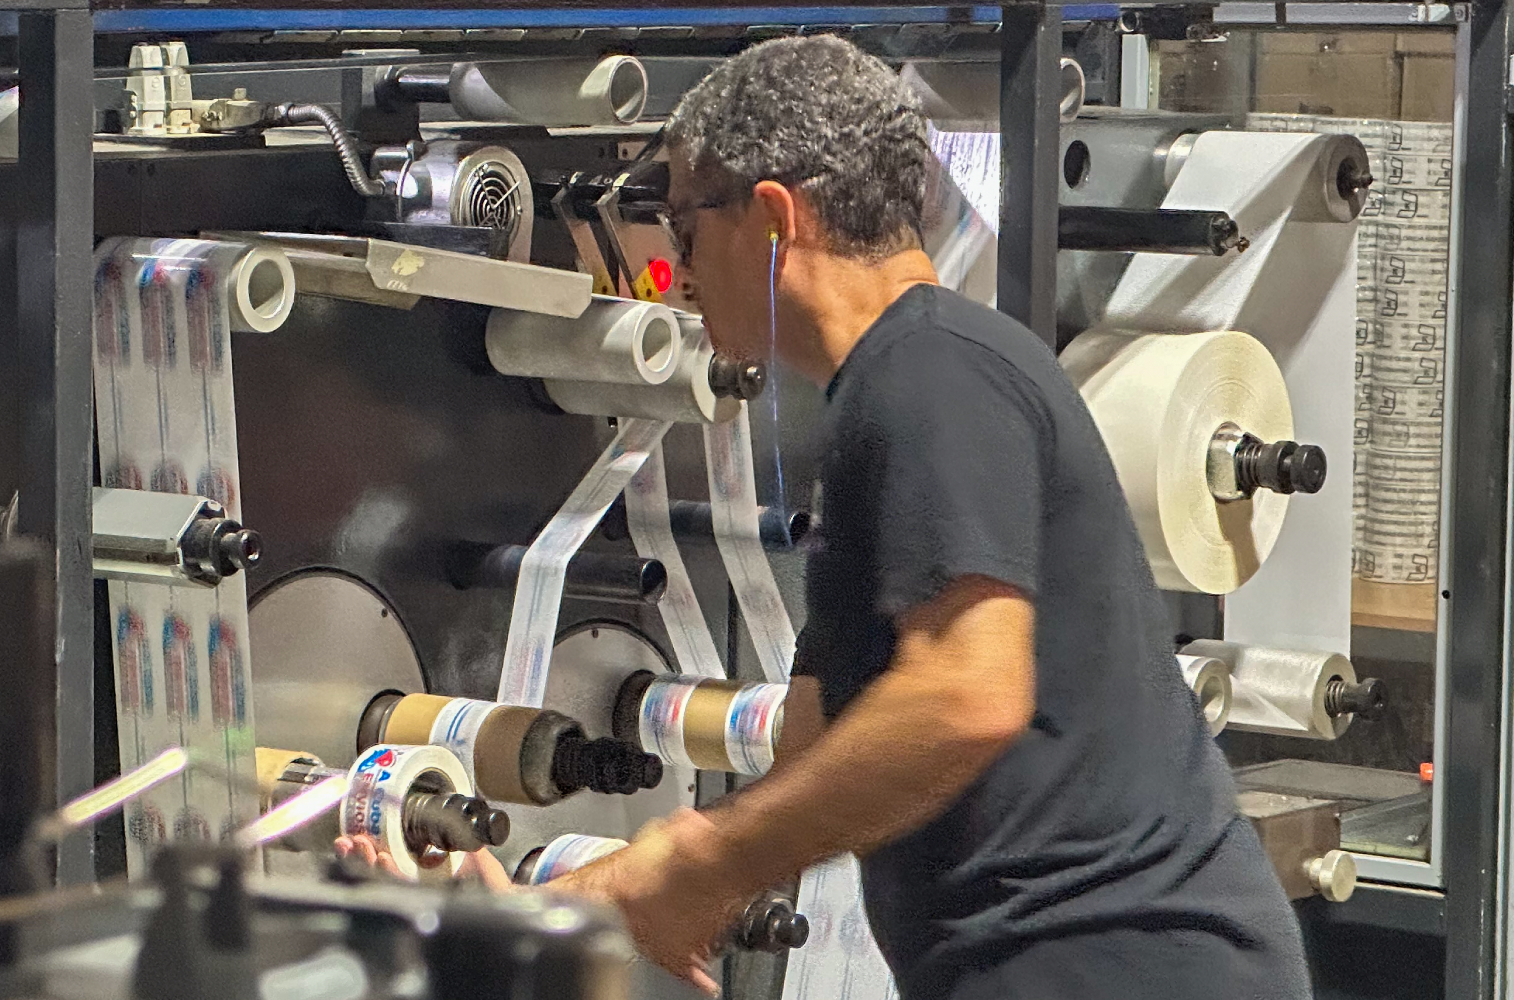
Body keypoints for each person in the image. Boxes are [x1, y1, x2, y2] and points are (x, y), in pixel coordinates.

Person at [353, 35, 1312, 1000]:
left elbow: (966, 696)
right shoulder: (887, 394)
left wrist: (703, 867)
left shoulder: (929, 372)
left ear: (772, 218)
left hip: (1115, 962)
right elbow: (816, 746)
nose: (675, 271)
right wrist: (566, 912)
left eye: (686, 228)